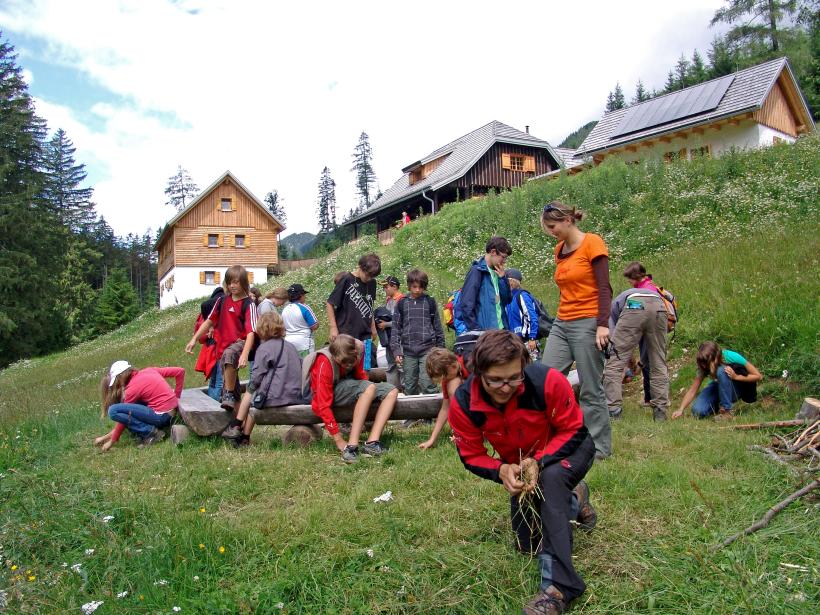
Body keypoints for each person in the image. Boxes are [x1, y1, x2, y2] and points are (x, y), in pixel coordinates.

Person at [448, 330, 596, 615]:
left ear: (523, 366)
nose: (506, 387)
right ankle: (575, 499)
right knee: (527, 543)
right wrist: (501, 468)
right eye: (495, 380)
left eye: (514, 377)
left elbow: (574, 430)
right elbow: (471, 455)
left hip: (569, 450)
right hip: (524, 464)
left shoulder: (547, 380)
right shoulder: (464, 403)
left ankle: (560, 588)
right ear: (478, 373)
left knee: (552, 480)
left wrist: (538, 461)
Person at [540, 201, 613, 460]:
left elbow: (605, 288)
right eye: (547, 228)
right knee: (546, 380)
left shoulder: (592, 242)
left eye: (553, 226)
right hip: (562, 322)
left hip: (588, 321)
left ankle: (599, 448)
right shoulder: (559, 249)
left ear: (567, 220)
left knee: (591, 388)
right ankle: (554, 440)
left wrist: (602, 324)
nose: (551, 232)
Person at [308, 334, 398, 463]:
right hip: (330, 395)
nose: (347, 365)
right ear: (335, 357)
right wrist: (338, 438)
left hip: (350, 387)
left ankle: (372, 442)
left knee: (391, 391)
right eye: (343, 363)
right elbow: (322, 405)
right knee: (369, 388)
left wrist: (366, 397)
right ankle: (352, 447)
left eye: (351, 361)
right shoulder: (323, 362)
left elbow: (362, 378)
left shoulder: (358, 350)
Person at [222, 312, 304, 446]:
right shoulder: (291, 347)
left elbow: (256, 379)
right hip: (297, 396)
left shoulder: (264, 349)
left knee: (253, 390)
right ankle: (244, 436)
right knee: (257, 392)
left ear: (261, 328)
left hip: (277, 399)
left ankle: (238, 426)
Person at [185, 265, 258, 412]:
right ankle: (239, 427)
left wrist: (244, 354)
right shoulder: (222, 301)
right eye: (230, 282)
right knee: (235, 390)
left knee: (229, 360)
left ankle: (228, 394)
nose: (232, 285)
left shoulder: (248, 305)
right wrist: (194, 339)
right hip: (222, 349)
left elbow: (252, 332)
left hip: (240, 344)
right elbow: (209, 321)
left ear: (243, 282)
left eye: (236, 282)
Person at [603, 280, 670, 422]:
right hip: (659, 305)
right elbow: (648, 349)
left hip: (635, 305)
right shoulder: (625, 298)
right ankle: (660, 412)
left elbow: (614, 347)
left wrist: (625, 366)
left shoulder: (608, 312)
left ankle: (613, 411)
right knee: (658, 362)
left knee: (613, 363)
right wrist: (639, 364)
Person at [94, 360, 185, 451]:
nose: (118, 383)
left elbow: (123, 420)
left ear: (122, 375)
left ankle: (151, 433)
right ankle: (148, 432)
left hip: (161, 417)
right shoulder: (149, 370)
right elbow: (180, 371)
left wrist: (111, 441)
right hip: (171, 411)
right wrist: (177, 397)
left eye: (117, 379)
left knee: (113, 411)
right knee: (132, 406)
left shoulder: (131, 389)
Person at [672, 341, 762, 420]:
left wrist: (736, 377)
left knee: (722, 371)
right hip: (719, 386)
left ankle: (727, 412)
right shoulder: (703, 365)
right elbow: (693, 390)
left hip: (737, 387)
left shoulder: (730, 356)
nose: (703, 366)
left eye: (706, 363)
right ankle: (718, 406)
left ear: (714, 358)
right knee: (697, 412)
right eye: (701, 363)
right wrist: (681, 409)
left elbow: (758, 376)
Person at [391, 269, 446, 396]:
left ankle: (431, 415)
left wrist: (441, 349)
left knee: (428, 384)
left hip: (428, 350)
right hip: (408, 352)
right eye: (414, 287)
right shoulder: (402, 303)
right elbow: (395, 329)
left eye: (421, 287)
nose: (417, 290)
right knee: (409, 386)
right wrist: (396, 350)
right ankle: (412, 415)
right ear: (409, 285)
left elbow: (437, 327)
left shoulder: (430, 302)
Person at [326, 253, 380, 370]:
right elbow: (330, 303)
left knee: (367, 367)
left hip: (365, 333)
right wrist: (333, 327)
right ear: (360, 267)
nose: (369, 278)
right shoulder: (346, 279)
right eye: (368, 275)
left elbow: (370, 305)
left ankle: (366, 386)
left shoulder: (372, 283)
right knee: (347, 367)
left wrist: (373, 327)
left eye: (372, 276)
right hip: (346, 332)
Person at [457, 236, 513, 332]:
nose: (504, 261)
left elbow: (507, 300)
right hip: (485, 333)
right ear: (493, 252)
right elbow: (466, 305)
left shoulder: (499, 273)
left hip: (502, 329)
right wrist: (476, 331)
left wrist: (502, 279)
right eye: (503, 257)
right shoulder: (477, 271)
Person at [420, 347, 469, 449]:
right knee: (452, 384)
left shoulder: (469, 364)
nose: (444, 380)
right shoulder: (448, 378)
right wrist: (432, 439)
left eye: (444, 376)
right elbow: (445, 408)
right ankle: (462, 431)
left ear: (453, 366)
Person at [194, 286, 225, 401]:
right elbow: (204, 304)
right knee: (220, 380)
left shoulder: (209, 307)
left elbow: (204, 305)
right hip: (219, 346)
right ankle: (216, 404)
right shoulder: (222, 302)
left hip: (210, 346)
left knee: (214, 379)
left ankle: (211, 401)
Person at [376, 275, 405, 389]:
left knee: (401, 364)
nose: (384, 290)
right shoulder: (388, 300)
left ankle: (406, 389)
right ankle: (391, 389)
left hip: (400, 339)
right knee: (391, 364)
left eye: (386, 287)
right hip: (389, 338)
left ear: (395, 287)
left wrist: (385, 324)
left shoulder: (402, 300)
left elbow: (403, 322)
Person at [505, 268, 541, 360]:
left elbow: (531, 316)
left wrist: (532, 337)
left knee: (532, 366)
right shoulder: (507, 298)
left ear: (512, 281)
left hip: (527, 339)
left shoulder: (522, 295)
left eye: (506, 280)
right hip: (514, 340)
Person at [282, 283, 319, 358]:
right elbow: (315, 326)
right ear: (300, 295)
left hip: (288, 342)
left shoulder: (285, 309)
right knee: (306, 366)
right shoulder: (304, 307)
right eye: (304, 294)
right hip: (304, 342)